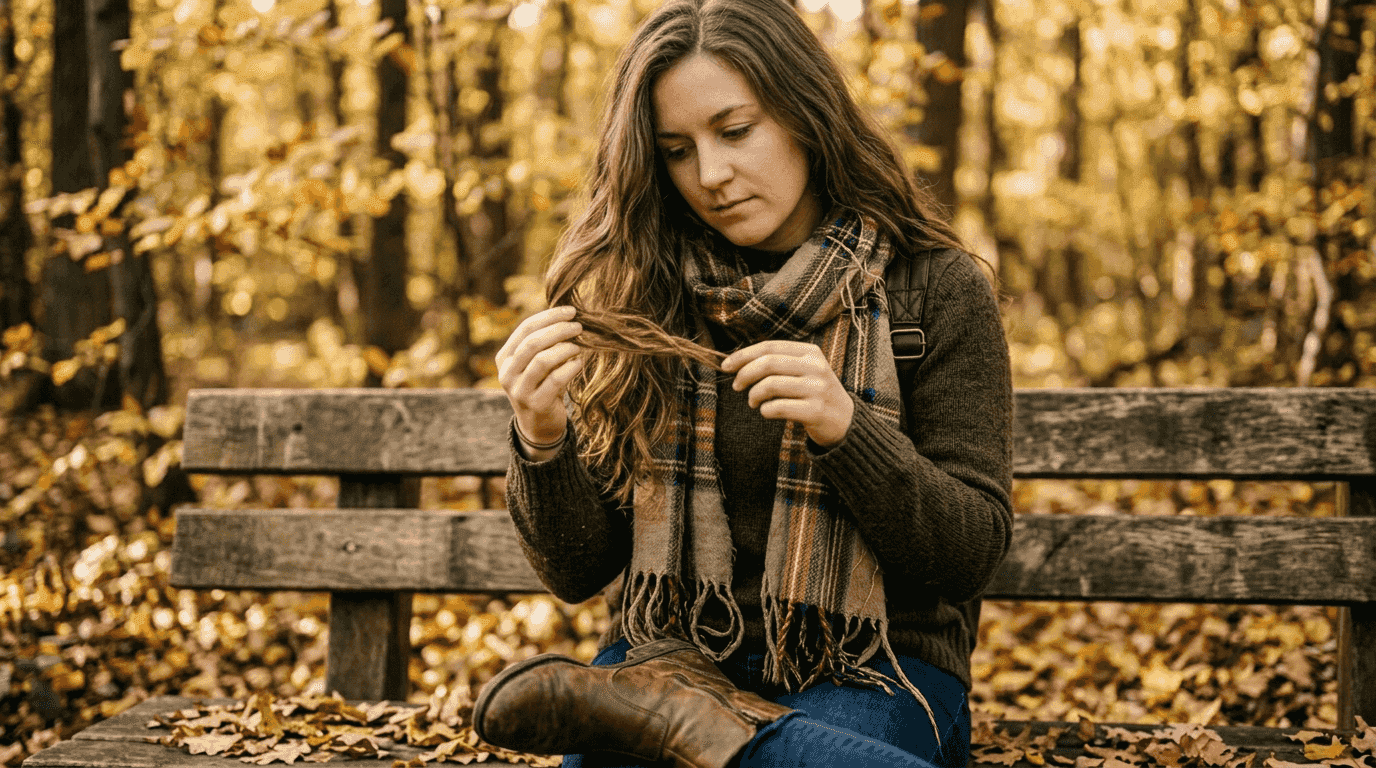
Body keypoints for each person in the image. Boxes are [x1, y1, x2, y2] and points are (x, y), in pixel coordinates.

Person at [473, 0, 1013, 765]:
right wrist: (540, 436)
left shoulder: (934, 289)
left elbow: (969, 554)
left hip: (874, 673)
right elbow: (576, 571)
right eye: (675, 150)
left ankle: (685, 726)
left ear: (805, 113)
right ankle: (675, 713)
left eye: (734, 131)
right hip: (667, 659)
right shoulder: (640, 293)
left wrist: (845, 429)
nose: (711, 175)